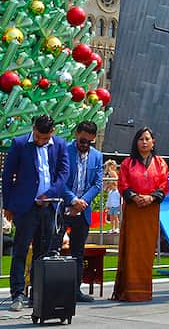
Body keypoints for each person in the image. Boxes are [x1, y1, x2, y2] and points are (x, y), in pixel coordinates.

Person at [2, 114, 70, 313]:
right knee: (21, 250)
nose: (41, 141)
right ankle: (17, 294)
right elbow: (7, 175)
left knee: (44, 252)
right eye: (38, 137)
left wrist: (50, 194)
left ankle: (38, 294)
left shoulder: (59, 144)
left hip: (49, 206)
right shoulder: (20, 144)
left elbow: (63, 173)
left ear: (53, 133)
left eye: (45, 138)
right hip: (25, 206)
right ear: (33, 128)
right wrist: (8, 204)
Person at [111, 127, 167, 302]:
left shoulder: (160, 163)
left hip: (150, 211)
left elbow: (164, 186)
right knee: (131, 250)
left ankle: (144, 291)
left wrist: (150, 198)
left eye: (147, 139)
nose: (144, 142)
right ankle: (128, 291)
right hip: (133, 211)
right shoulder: (128, 163)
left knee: (146, 251)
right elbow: (123, 185)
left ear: (153, 142)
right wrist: (135, 197)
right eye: (141, 139)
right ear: (136, 142)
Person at [61, 120, 104, 303]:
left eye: (88, 142)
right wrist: (72, 200)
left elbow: (98, 183)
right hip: (63, 209)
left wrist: (83, 202)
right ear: (76, 135)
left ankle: (75, 290)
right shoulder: (64, 151)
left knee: (77, 253)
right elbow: (59, 179)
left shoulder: (97, 156)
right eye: (81, 140)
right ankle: (52, 289)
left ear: (93, 139)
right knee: (53, 249)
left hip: (83, 211)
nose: (84, 144)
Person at [103, 159, 121, 232]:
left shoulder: (113, 173)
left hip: (115, 193)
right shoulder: (108, 174)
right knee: (111, 215)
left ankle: (116, 228)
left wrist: (109, 184)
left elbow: (115, 182)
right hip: (111, 192)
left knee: (115, 215)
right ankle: (112, 228)